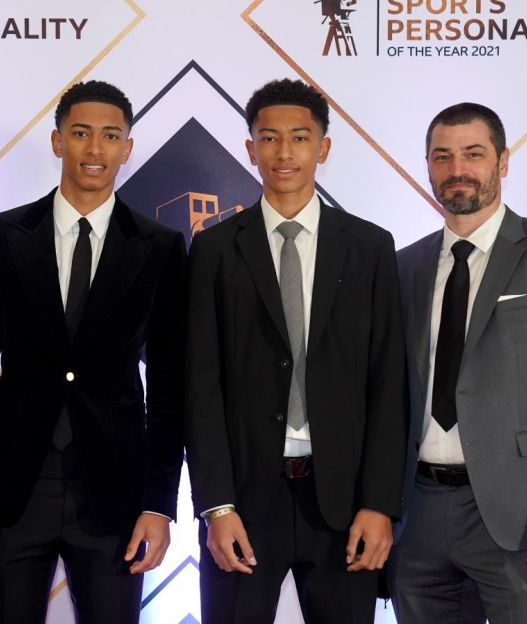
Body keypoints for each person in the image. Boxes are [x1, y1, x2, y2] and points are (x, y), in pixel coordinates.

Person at [0, 80, 186, 624]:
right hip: (14, 490)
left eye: (110, 136)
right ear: (58, 142)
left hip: (114, 495)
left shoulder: (162, 248)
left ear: (128, 148)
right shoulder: (1, 235)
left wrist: (158, 503)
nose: (95, 149)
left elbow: (172, 386)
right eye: (81, 134)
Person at [185, 78, 407, 624]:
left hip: (342, 505)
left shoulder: (371, 247)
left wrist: (379, 504)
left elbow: (388, 384)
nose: (284, 153)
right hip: (243, 501)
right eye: (269, 138)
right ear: (250, 149)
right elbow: (200, 387)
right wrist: (215, 506)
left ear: (323, 148)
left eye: (300, 138)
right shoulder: (214, 249)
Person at [388, 102, 527, 623]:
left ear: (503, 162)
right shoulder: (405, 266)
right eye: (442, 157)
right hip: (417, 519)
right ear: (428, 167)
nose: (457, 169)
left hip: (522, 517)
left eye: (473, 154)